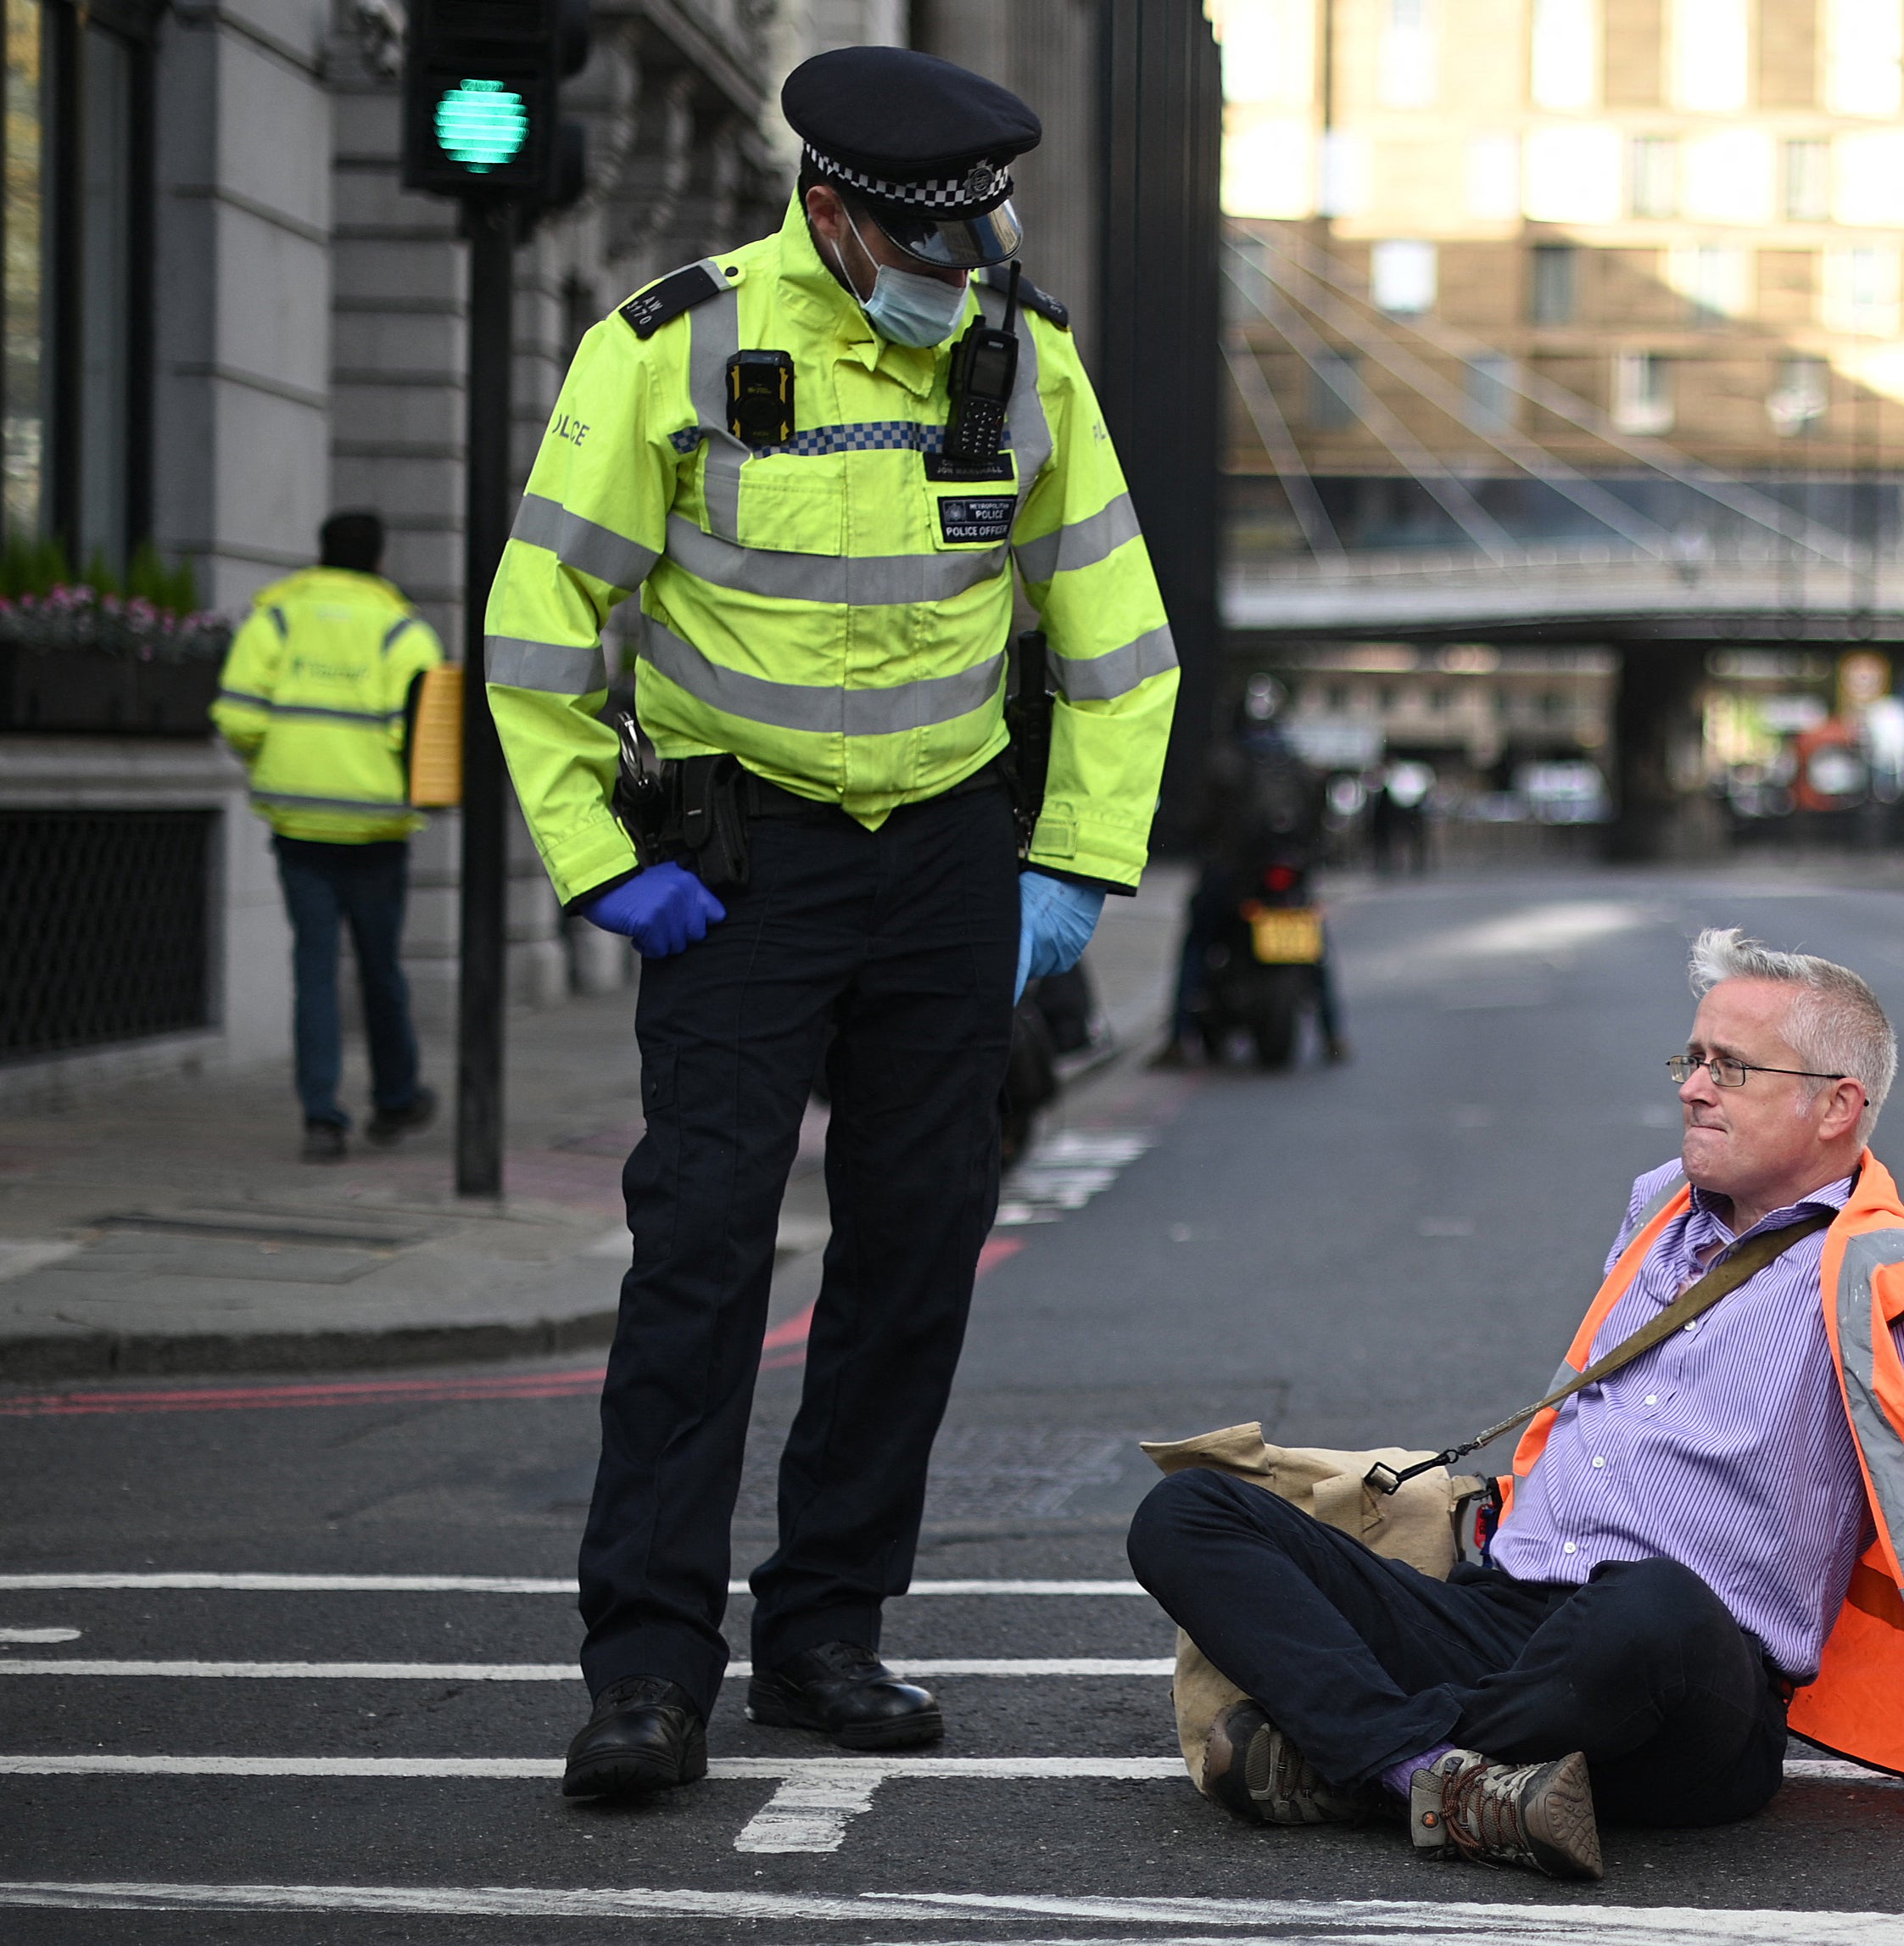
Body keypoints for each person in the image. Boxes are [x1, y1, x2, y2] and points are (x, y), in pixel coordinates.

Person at [481, 46, 1176, 1798]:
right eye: (929, 246)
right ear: (832, 213)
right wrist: (596, 856)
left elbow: (1116, 646)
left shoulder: (1029, 360)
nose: (964, 273)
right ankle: (646, 1666)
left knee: (914, 1248)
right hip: (744, 863)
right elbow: (540, 622)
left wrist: (1072, 867)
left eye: (980, 239)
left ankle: (823, 1630)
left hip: (946, 858)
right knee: (703, 1247)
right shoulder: (673, 345)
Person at [1129, 928, 1904, 1879]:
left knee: (1652, 1604)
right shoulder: (1657, 1207)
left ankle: (1338, 1751)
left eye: (1733, 1067)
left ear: (1837, 1105)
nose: (1694, 1086)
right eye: (1693, 1057)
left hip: (1689, 1685)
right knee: (1190, 1511)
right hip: (1509, 1614)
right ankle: (1412, 1770)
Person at [211, 511, 444, 1163]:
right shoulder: (402, 631)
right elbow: (420, 735)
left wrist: (275, 761)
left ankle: (322, 1119)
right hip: (375, 828)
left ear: (320, 553)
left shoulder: (278, 619)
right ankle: (396, 1097)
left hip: (299, 825)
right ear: (379, 557)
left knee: (313, 968)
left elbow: (237, 715)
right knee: (380, 968)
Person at [1148, 676, 1346, 1066]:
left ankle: (1177, 1038)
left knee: (1198, 941)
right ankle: (1334, 1032)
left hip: (1232, 874)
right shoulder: (1299, 764)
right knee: (1314, 946)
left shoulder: (1222, 763)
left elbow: (1199, 821)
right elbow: (1320, 823)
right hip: (1290, 873)